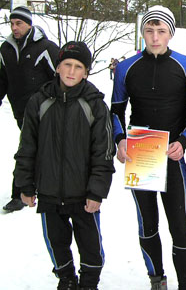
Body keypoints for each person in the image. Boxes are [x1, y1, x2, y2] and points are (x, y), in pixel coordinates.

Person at [111, 5, 186, 290]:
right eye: (149, 31)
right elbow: (116, 110)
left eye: (161, 31)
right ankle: (156, 278)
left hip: (170, 155)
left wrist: (183, 141)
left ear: (170, 34)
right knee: (147, 224)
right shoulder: (127, 67)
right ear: (142, 33)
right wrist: (119, 140)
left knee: (180, 225)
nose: (154, 37)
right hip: (139, 155)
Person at [13, 41, 115, 290]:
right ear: (57, 67)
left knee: (90, 245)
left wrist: (96, 191)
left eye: (78, 66)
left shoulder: (94, 104)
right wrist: (24, 185)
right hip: (48, 190)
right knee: (56, 242)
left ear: (86, 72)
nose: (71, 71)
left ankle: (89, 283)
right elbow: (27, 147)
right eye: (67, 65)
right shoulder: (39, 102)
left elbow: (103, 152)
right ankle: (67, 279)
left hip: (82, 194)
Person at [0, 6, 59, 212]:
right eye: (12, 24)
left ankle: (21, 194)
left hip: (45, 110)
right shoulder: (5, 50)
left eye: (19, 24)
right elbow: (2, 79)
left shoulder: (45, 47)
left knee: (28, 149)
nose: (15, 28)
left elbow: (60, 77)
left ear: (29, 24)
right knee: (33, 149)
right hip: (20, 110)